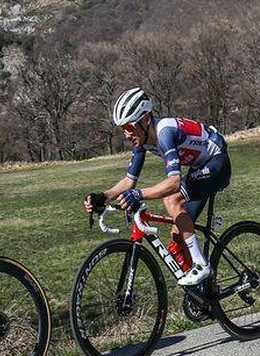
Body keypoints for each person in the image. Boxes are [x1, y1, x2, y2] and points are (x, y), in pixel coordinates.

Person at [84, 87, 230, 286]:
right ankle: (203, 292)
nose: (126, 135)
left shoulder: (165, 132)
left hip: (217, 162)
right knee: (177, 239)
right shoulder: (141, 141)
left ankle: (201, 265)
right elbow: (129, 181)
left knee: (171, 199)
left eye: (129, 127)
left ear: (145, 120)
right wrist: (103, 196)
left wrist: (138, 194)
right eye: (123, 129)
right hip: (199, 167)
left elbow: (174, 182)